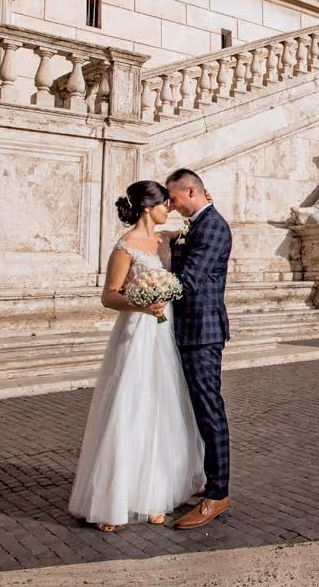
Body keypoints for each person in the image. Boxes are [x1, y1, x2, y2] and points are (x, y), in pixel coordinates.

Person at [69, 181, 205, 532]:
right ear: (148, 208)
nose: (170, 209)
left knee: (162, 410)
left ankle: (154, 496)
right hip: (136, 333)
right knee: (130, 408)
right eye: (165, 204)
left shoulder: (165, 240)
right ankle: (114, 498)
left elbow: (196, 222)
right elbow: (108, 296)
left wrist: (203, 201)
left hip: (164, 335)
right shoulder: (125, 247)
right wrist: (139, 303)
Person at [165, 168, 234, 530]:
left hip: (203, 332)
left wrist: (152, 266)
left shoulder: (213, 227)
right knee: (198, 411)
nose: (171, 205)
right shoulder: (199, 224)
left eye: (174, 198)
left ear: (191, 191)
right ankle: (210, 480)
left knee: (210, 411)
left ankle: (218, 495)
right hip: (190, 329)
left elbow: (189, 281)